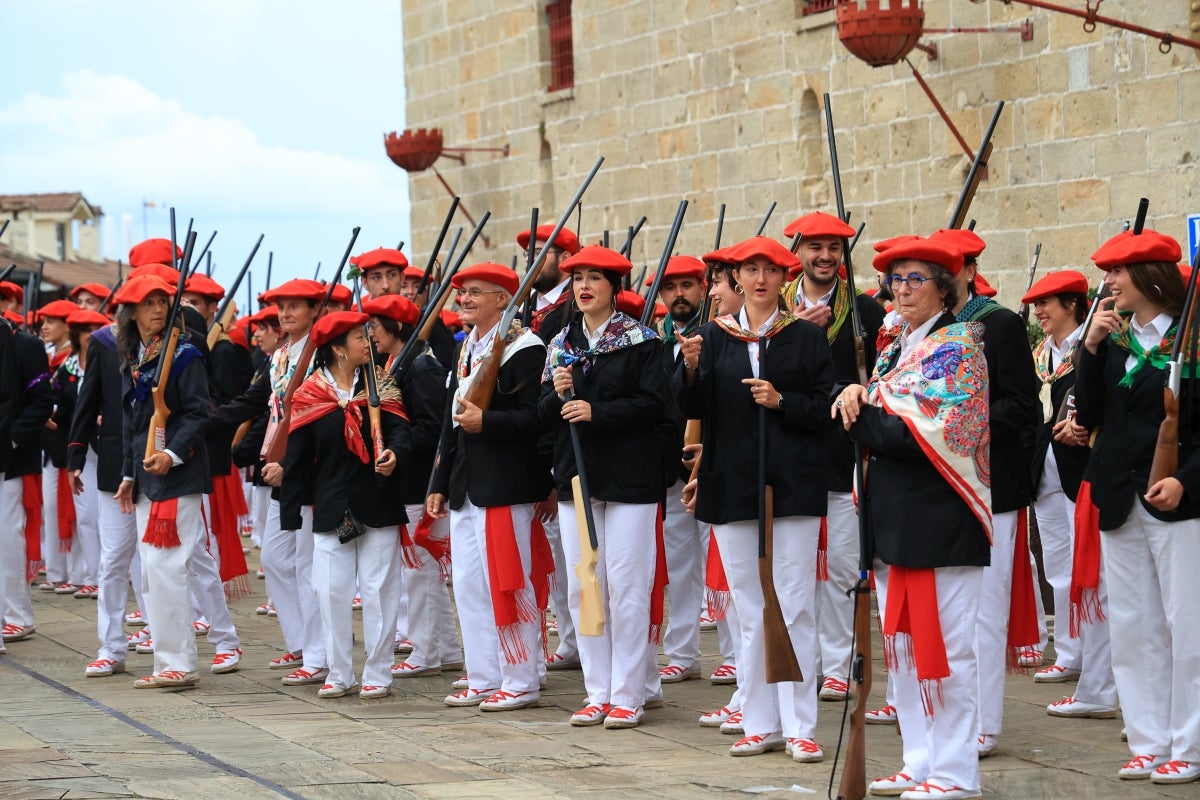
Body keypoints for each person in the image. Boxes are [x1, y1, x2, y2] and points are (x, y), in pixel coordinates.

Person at [834, 236, 991, 800]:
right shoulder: (895, 344)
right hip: (894, 517)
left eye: (914, 279)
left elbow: (917, 432)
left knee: (944, 652)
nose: (901, 289)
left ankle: (955, 773)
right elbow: (880, 402)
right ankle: (920, 759)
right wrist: (858, 394)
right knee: (901, 649)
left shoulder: (958, 347)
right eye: (894, 280)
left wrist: (859, 416)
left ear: (944, 287)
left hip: (942, 520)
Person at [677, 235, 834, 761]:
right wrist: (691, 367)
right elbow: (690, 405)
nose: (761, 279)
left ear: (784, 277)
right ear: (735, 279)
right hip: (732, 481)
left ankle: (800, 724)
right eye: (750, 270)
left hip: (790, 483)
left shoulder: (806, 338)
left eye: (770, 270)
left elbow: (826, 407)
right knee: (748, 607)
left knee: (793, 604)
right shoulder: (713, 336)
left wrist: (782, 401)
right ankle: (758, 720)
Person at [1074, 229, 1200, 784]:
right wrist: (1093, 347)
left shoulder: (1194, 339)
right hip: (1119, 497)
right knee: (1131, 625)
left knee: (1185, 625)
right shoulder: (1117, 339)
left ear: (1149, 276)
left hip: (1177, 500)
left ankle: (1190, 746)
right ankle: (1148, 740)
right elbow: (1091, 412)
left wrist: (1186, 481)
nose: (1108, 284)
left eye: (1117, 274)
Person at [539, 244, 673, 729]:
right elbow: (542, 416)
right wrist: (556, 396)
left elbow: (658, 407)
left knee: (627, 586)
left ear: (615, 288)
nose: (584, 286)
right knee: (583, 584)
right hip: (577, 474)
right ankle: (596, 690)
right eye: (578, 279)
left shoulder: (640, 341)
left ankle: (629, 692)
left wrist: (600, 412)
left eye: (595, 278)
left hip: (631, 478)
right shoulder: (559, 342)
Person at [930, 227, 1040, 759]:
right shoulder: (921, 331)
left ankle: (983, 722)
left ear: (970, 272)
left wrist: (960, 420)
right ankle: (946, 714)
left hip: (991, 483)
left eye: (949, 269)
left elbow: (1023, 406)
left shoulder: (1000, 325)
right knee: (946, 612)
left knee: (985, 610)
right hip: (935, 487)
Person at [427, 262, 551, 712]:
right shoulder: (467, 350)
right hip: (466, 486)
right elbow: (451, 423)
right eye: (463, 293)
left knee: (508, 583)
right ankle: (484, 674)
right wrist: (439, 481)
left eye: (476, 292)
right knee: (470, 586)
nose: (465, 299)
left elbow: (539, 416)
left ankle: (520, 678)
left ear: (504, 299)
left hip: (505, 484)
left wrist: (489, 422)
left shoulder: (524, 348)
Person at [782, 211, 886, 702]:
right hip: (790, 448)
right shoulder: (776, 310)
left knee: (842, 565)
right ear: (798, 252)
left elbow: (879, 377)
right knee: (794, 566)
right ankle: (799, 663)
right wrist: (795, 335)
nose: (824, 257)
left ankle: (837, 665)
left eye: (834, 248)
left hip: (843, 452)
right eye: (815, 248)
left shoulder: (865, 311)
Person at [280, 311, 411, 698]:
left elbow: (402, 431)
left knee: (380, 591)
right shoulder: (309, 394)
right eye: (358, 337)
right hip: (333, 505)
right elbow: (297, 459)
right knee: (331, 591)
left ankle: (378, 673)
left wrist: (395, 455)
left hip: (378, 500)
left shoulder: (381, 383)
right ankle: (339, 672)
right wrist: (290, 511)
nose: (367, 342)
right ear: (337, 348)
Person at [1022, 271, 1117, 720]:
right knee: (1058, 564)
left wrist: (1085, 428)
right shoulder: (1044, 355)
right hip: (1047, 467)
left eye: (1048, 303)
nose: (1040, 312)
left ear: (1075, 306)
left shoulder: (1094, 346)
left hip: (1081, 468)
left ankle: (1098, 668)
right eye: (1037, 304)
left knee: (1088, 570)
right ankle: (1070, 650)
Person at [113, 275, 212, 689]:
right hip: (145, 478)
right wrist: (128, 472)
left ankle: (178, 664)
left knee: (165, 567)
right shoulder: (135, 356)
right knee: (152, 572)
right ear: (131, 311)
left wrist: (170, 455)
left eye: (162, 302)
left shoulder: (185, 354)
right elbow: (132, 424)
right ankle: (169, 659)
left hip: (177, 474)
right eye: (148, 302)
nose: (157, 309)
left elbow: (198, 413)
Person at [362, 293, 463, 678]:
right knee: (420, 572)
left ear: (396, 328)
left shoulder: (421, 369)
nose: (370, 333)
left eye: (375, 325)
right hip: (408, 484)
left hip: (421, 484)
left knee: (421, 573)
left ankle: (425, 651)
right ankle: (446, 649)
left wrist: (396, 449)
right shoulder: (395, 365)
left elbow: (432, 428)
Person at [649, 255, 711, 688]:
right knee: (680, 566)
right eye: (670, 288)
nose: (678, 295)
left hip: (712, 466)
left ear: (703, 290)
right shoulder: (655, 343)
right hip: (672, 471)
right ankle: (684, 652)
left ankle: (730, 656)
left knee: (721, 567)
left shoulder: (716, 336)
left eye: (687, 286)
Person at [0, 280, 52, 646]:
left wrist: (13, 437)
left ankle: (17, 614)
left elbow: (40, 400)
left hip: (11, 456)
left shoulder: (27, 345)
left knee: (7, 536)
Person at [38, 299, 97, 597]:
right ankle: (84, 574)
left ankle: (94, 574)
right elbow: (57, 405)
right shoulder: (67, 368)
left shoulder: (110, 362)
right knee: (81, 514)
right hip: (72, 446)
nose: (90, 335)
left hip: (103, 447)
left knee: (102, 516)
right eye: (84, 330)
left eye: (94, 329)